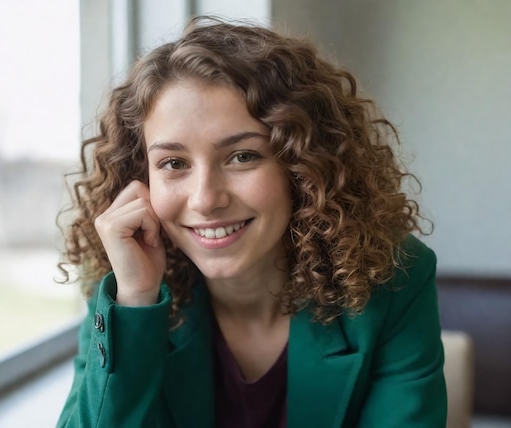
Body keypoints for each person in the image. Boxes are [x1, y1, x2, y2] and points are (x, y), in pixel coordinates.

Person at [56, 16, 447, 428]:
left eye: (243, 156)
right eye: (173, 163)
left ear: (303, 168)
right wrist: (135, 301)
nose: (206, 199)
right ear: (141, 178)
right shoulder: (122, 288)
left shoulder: (396, 278)